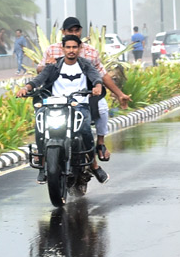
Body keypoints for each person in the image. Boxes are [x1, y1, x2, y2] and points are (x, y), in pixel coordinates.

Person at [17, 34, 108, 184]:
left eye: (74, 47)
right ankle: (42, 166)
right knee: (40, 127)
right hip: (56, 105)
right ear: (63, 49)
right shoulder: (54, 66)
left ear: (79, 49)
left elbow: (95, 77)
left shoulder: (85, 65)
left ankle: (94, 165)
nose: (71, 50)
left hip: (79, 105)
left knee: (85, 129)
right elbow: (38, 79)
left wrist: (97, 86)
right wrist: (26, 88)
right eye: (68, 47)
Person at [38, 16, 131, 162]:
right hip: (57, 96)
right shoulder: (52, 50)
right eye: (70, 31)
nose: (74, 34)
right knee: (40, 117)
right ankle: (42, 154)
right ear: (63, 33)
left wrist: (119, 94)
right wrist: (44, 67)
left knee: (101, 109)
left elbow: (101, 74)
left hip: (84, 94)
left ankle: (99, 144)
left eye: (77, 31)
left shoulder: (90, 53)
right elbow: (40, 72)